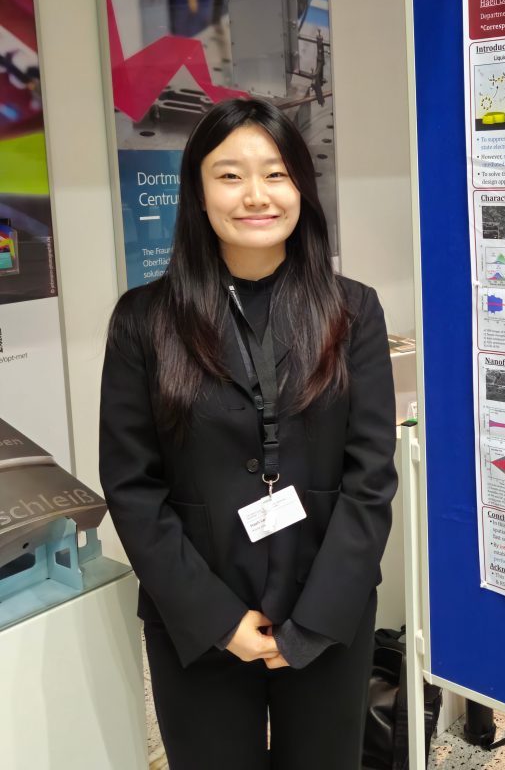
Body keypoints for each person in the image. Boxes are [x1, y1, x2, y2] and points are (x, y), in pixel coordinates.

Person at [100, 98, 397, 769]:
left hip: (327, 610)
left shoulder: (353, 310)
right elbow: (131, 485)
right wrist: (216, 619)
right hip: (198, 619)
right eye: (230, 175)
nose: (256, 195)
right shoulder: (144, 320)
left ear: (301, 188)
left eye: (276, 173)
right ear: (197, 191)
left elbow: (371, 478)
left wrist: (317, 619)